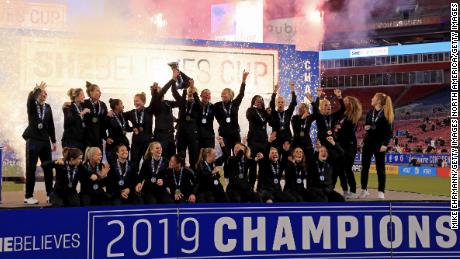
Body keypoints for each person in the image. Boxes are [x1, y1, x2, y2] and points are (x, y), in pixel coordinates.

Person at [22, 81, 57, 205]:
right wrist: (37, 89)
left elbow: (51, 125)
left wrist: (53, 141)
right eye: (41, 93)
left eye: (45, 93)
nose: (44, 94)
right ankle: (28, 196)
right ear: (37, 95)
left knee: (48, 168)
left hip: (45, 141)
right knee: (31, 168)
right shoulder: (32, 104)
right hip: (33, 140)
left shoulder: (47, 107)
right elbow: (31, 98)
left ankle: (50, 194)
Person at [360, 93, 394, 200]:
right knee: (364, 167)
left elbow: (389, 132)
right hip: (368, 143)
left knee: (380, 168)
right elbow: (366, 125)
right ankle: (364, 189)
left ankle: (381, 191)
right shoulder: (370, 112)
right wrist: (366, 127)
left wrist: (385, 144)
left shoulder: (386, 113)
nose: (371, 99)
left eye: (373, 98)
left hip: (379, 144)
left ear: (378, 101)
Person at [214, 70, 249, 154]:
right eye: (222, 93)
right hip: (224, 134)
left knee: (237, 153)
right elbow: (217, 117)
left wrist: (243, 80)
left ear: (230, 95)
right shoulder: (217, 105)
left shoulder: (235, 103)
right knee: (226, 154)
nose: (222, 95)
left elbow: (241, 94)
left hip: (235, 133)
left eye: (225, 93)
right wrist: (223, 123)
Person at [335, 96, 362, 199]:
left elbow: (349, 131)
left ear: (350, 103)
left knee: (347, 168)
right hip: (342, 145)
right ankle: (345, 190)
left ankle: (353, 190)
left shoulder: (353, 115)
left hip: (349, 146)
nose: (343, 102)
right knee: (341, 169)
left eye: (345, 100)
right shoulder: (345, 115)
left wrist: (339, 129)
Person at [151, 70, 181, 159]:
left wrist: (175, 87)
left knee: (172, 158)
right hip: (160, 136)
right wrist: (173, 79)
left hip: (170, 136)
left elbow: (180, 102)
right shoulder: (154, 103)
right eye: (158, 91)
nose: (161, 93)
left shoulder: (167, 103)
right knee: (162, 159)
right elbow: (163, 91)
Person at [173, 79, 201, 168]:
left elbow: (199, 105)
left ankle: (193, 176)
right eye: (189, 92)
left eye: (192, 92)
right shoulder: (183, 103)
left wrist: (193, 88)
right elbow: (175, 93)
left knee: (193, 157)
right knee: (181, 156)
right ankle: (181, 176)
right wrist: (185, 90)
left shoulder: (197, 105)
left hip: (192, 134)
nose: (190, 93)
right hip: (181, 134)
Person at [125, 92, 155, 173]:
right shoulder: (131, 113)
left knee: (148, 164)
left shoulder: (149, 111)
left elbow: (154, 100)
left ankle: (145, 183)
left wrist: (154, 91)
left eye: (137, 101)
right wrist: (131, 128)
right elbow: (120, 116)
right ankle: (134, 182)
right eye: (134, 101)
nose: (135, 103)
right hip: (136, 143)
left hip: (147, 143)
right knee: (134, 164)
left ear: (143, 102)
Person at [195, 136, 228, 203]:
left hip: (216, 188)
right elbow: (203, 177)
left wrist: (222, 144)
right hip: (206, 190)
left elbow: (225, 156)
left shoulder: (215, 162)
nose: (216, 155)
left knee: (226, 198)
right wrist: (213, 172)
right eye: (214, 154)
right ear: (208, 155)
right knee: (211, 199)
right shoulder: (200, 165)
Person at [269, 83, 297, 151]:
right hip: (276, 139)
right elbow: (271, 104)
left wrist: (293, 90)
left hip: (287, 140)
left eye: (282, 102)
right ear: (276, 104)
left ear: (285, 103)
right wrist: (275, 91)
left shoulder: (288, 113)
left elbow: (293, 103)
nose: (280, 104)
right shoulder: (274, 113)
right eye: (279, 102)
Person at [82, 81, 108, 152]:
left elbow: (105, 122)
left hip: (99, 137)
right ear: (91, 92)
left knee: (98, 157)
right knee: (87, 158)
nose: (100, 93)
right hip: (87, 137)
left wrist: (105, 137)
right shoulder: (84, 103)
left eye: (100, 91)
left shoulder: (102, 105)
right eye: (98, 91)